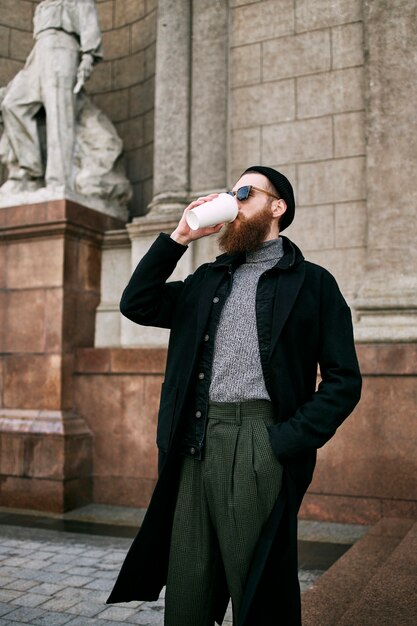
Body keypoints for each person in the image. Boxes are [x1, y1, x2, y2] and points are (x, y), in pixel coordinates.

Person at [107, 165, 362, 626]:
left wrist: (281, 442)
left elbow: (345, 380)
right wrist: (180, 236)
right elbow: (136, 303)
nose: (234, 200)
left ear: (277, 206)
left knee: (256, 590)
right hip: (191, 444)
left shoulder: (314, 284)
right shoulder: (207, 280)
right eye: (232, 192)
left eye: (243, 192)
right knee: (187, 588)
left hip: (258, 444)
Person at [0, 0, 102, 193]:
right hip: (39, 51)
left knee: (58, 112)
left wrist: (88, 56)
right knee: (12, 104)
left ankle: (59, 181)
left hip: (64, 47)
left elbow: (89, 22)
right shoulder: (43, 4)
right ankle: (31, 170)